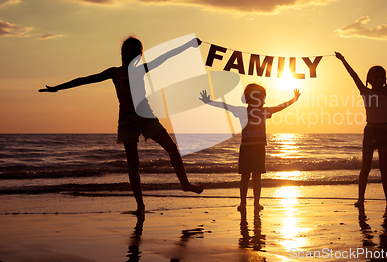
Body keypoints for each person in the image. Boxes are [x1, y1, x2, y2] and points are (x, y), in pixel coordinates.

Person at [39, 36, 203, 216]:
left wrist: (189, 45)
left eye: (132, 53)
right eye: (125, 52)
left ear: (139, 56)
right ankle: (140, 206)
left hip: (147, 118)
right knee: (133, 164)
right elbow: (85, 79)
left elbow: (165, 57)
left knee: (172, 148)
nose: (127, 55)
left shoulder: (142, 70)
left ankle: (185, 184)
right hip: (127, 121)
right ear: (121, 53)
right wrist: (57, 88)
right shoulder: (114, 72)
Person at [335, 49, 387, 208]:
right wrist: (343, 60)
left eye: (383, 77)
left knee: (383, 168)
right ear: (369, 79)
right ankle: (360, 200)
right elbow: (353, 75)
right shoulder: (365, 91)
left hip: (383, 132)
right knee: (365, 168)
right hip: (370, 132)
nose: (380, 79)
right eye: (377, 77)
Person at [199, 84, 300, 212]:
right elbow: (279, 108)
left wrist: (209, 102)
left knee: (245, 177)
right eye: (263, 97)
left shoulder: (244, 111)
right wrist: (293, 100)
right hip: (256, 149)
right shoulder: (261, 111)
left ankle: (244, 204)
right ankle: (254, 204)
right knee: (255, 177)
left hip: (247, 148)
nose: (264, 100)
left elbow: (226, 107)